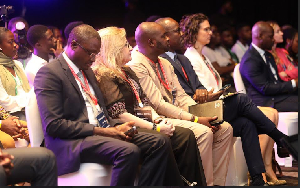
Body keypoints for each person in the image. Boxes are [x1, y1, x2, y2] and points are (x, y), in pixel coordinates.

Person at [34, 24, 183, 186]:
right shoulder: (50, 73)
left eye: (96, 54)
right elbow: (53, 125)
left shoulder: (87, 70)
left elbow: (100, 113)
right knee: (128, 151)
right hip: (73, 142)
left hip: (99, 132)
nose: (93, 59)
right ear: (74, 45)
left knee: (159, 142)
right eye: (90, 53)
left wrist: (118, 127)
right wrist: (104, 131)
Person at [163, 16, 283, 185]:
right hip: (193, 109)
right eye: (206, 29)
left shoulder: (185, 58)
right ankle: (279, 137)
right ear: (194, 32)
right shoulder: (178, 58)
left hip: (207, 103)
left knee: (246, 123)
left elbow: (200, 86)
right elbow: (178, 95)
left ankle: (257, 178)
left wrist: (206, 93)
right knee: (241, 100)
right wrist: (201, 96)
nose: (210, 32)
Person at [93, 26, 206, 186]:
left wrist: (158, 120)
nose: (131, 48)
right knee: (161, 139)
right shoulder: (105, 75)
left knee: (185, 135)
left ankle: (194, 183)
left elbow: (143, 103)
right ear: (114, 49)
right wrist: (155, 128)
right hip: (124, 125)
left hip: (140, 121)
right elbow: (120, 115)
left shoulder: (126, 71)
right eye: (126, 45)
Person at [128, 21, 234, 186]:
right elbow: (158, 104)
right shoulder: (137, 64)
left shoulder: (164, 62)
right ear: (151, 42)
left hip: (176, 113)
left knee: (224, 128)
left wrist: (201, 112)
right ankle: (203, 183)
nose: (168, 38)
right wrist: (195, 119)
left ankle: (216, 183)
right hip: (157, 118)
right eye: (163, 36)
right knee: (204, 131)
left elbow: (182, 97)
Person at [240, 21, 298, 112]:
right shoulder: (250, 60)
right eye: (270, 37)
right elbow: (265, 88)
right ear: (260, 36)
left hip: (276, 96)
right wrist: (293, 83)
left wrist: (293, 85)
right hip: (265, 101)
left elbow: (275, 81)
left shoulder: (267, 54)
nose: (273, 40)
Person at [0, 27, 31, 121]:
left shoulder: (18, 64)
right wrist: (30, 99)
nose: (15, 45)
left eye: (15, 42)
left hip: (29, 111)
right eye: (11, 42)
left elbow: (28, 91)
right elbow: (5, 102)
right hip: (11, 118)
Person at [201, 24, 236, 92]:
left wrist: (230, 67)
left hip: (231, 78)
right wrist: (232, 67)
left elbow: (233, 63)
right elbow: (218, 70)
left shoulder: (220, 48)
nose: (218, 35)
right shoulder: (206, 50)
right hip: (221, 84)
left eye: (218, 32)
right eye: (215, 32)